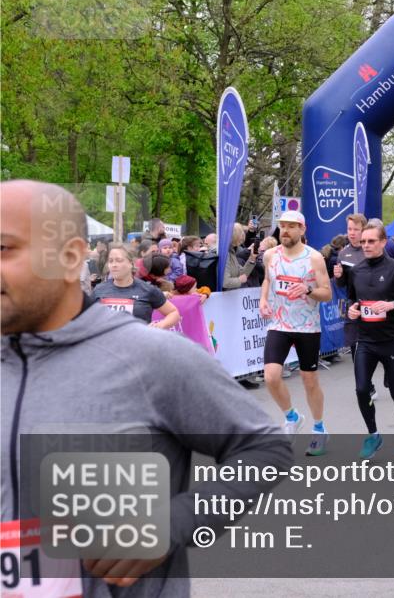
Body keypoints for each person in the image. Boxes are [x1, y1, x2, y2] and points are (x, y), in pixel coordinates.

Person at [1, 181, 292, 596]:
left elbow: (265, 449)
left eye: (4, 248)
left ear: (69, 258)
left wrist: (171, 523)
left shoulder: (150, 358)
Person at [259, 210, 333, 455]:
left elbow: (327, 293)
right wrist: (263, 300)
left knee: (309, 380)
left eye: (292, 226)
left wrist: (307, 290)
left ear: (302, 229)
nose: (286, 231)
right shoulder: (270, 255)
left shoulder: (314, 258)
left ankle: (319, 428)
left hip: (307, 326)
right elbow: (267, 280)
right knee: (271, 376)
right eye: (283, 226)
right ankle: (292, 417)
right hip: (279, 324)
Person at [345, 223, 394, 459]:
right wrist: (351, 310)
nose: (366, 245)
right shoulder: (356, 271)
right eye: (363, 241)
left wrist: (392, 305)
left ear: (383, 242)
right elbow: (351, 300)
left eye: (371, 241)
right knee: (361, 389)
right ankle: (373, 435)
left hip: (391, 339)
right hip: (365, 340)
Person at [333, 214, 375, 397]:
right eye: (349, 229)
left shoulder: (372, 249)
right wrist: (338, 276)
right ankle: (366, 384)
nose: (352, 233)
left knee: (377, 346)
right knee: (355, 346)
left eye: (356, 229)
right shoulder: (343, 253)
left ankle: (389, 374)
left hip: (374, 304)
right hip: (353, 305)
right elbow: (341, 284)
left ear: (363, 230)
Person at [94, 245, 181, 329]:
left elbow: (173, 313)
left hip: (138, 339)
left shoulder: (147, 290)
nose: (114, 265)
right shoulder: (99, 290)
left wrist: (159, 326)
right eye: (110, 261)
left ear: (131, 263)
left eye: (119, 260)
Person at [223, 223, 257, 290]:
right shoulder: (225, 254)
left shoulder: (231, 251)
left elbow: (242, 273)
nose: (243, 236)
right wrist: (239, 280)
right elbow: (225, 282)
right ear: (235, 235)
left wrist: (252, 258)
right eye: (241, 233)